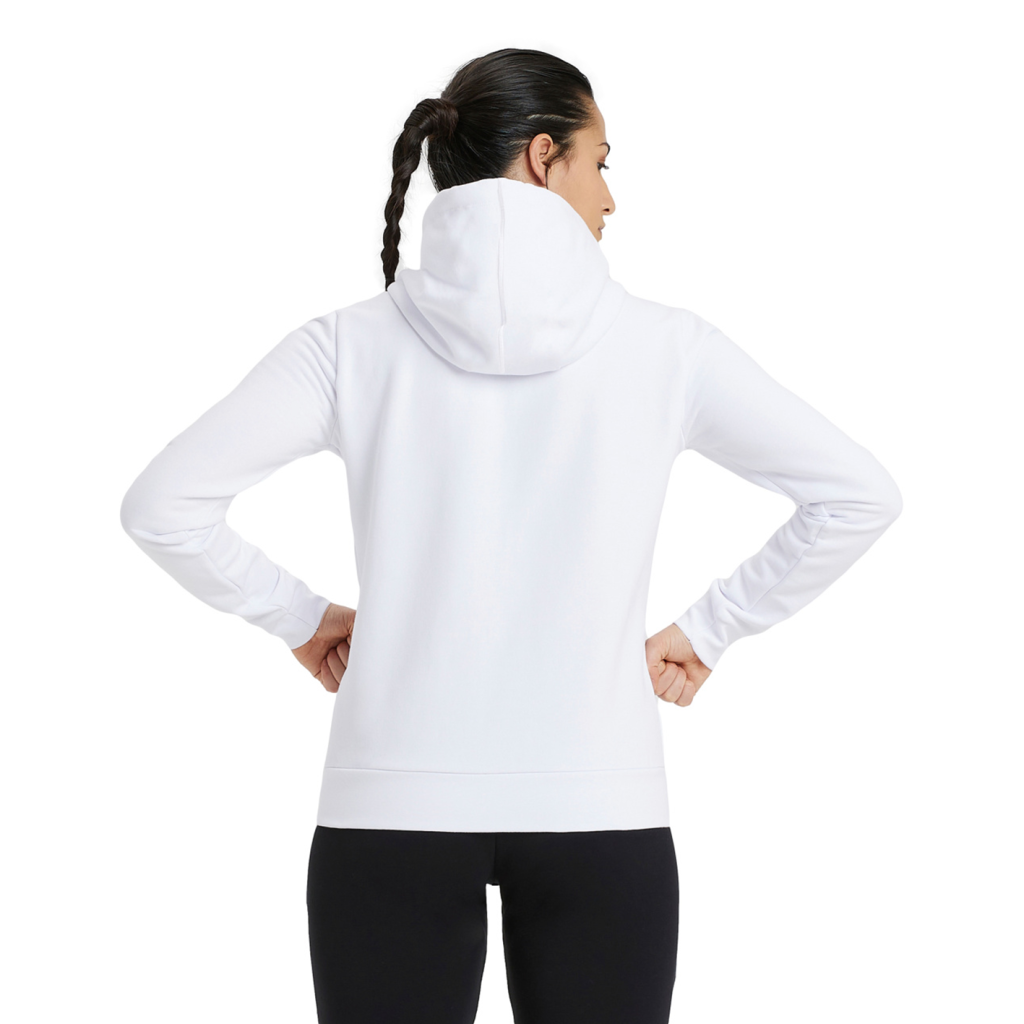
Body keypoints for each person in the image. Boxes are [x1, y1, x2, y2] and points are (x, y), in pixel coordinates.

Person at [120, 46, 902, 1024]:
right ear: (542, 156)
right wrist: (711, 628)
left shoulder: (347, 345)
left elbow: (163, 506)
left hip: (388, 804)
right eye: (600, 162)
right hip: (601, 802)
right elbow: (856, 495)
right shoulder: (669, 348)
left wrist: (300, 617)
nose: (610, 198)